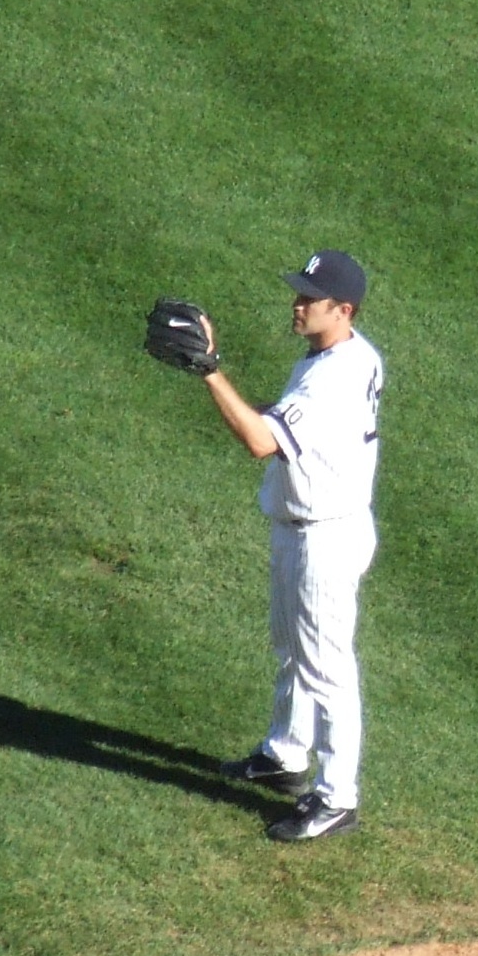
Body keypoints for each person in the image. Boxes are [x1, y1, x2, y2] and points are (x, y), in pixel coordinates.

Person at [204, 250, 384, 841]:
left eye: (310, 298)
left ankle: (336, 798)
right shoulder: (347, 354)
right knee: (293, 649)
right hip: (307, 527)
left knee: (326, 669)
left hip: (324, 539)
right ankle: (285, 754)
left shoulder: (332, 377)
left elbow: (261, 441)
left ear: (344, 310)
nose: (297, 304)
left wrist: (209, 371)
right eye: (299, 292)